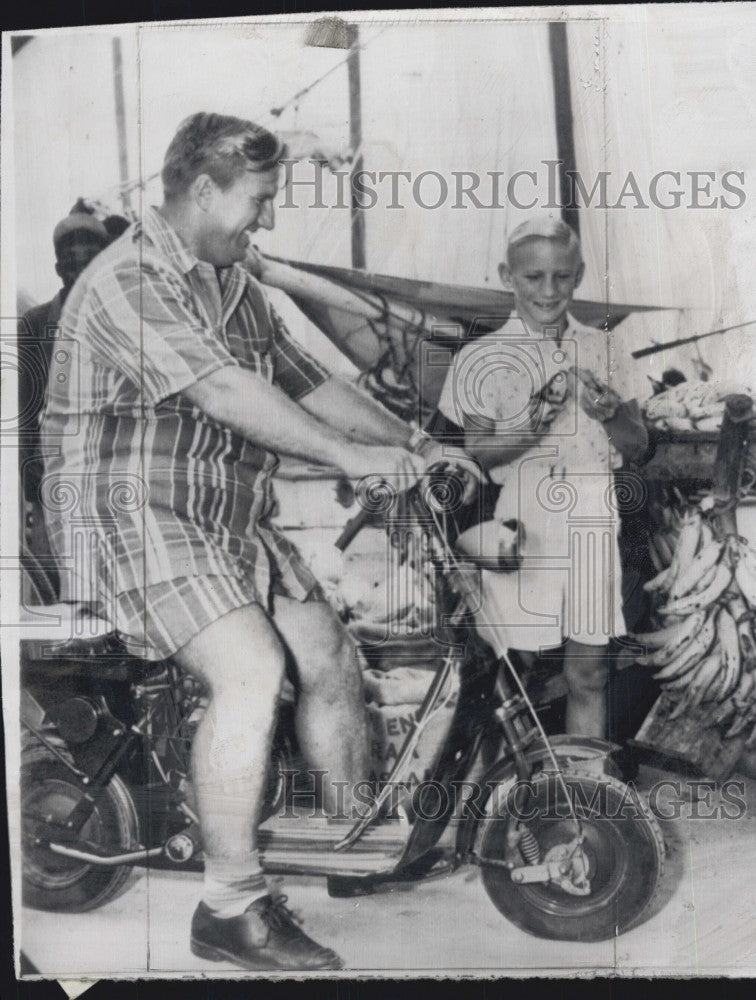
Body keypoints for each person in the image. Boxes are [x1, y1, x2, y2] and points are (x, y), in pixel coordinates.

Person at [40, 112, 474, 972]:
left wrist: (417, 449)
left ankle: (356, 845)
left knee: (332, 657)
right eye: (260, 200)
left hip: (219, 518)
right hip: (124, 516)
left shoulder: (231, 282)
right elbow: (227, 391)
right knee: (251, 670)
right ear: (203, 191)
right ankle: (229, 907)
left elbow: (312, 386)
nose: (268, 220)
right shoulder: (128, 278)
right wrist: (355, 460)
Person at [436, 215, 648, 738]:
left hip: (593, 509)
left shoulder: (609, 350)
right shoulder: (480, 357)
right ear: (507, 275)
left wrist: (613, 414)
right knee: (510, 670)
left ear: (578, 276)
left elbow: (638, 447)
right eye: (534, 277)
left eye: (562, 276)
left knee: (588, 672)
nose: (549, 290)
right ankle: (509, 789)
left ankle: (582, 800)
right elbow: (479, 455)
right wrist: (534, 424)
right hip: (521, 515)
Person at [18, 211, 110, 598]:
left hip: (111, 470)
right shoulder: (37, 324)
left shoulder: (123, 318)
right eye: (70, 259)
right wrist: (30, 468)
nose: (78, 265)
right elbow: (23, 409)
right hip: (56, 476)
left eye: (89, 258)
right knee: (58, 584)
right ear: (58, 268)